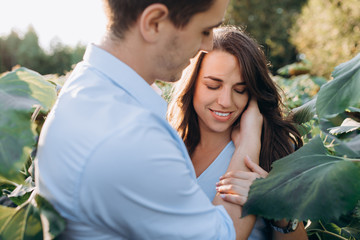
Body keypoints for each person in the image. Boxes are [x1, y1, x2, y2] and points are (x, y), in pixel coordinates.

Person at [34, 1, 267, 239]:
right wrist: (249, 142)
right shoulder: (132, 136)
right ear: (154, 22)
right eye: (204, 31)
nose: (207, 45)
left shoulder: (85, 89)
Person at [167, 25, 308, 239]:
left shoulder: (275, 148)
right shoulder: (168, 145)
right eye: (213, 86)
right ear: (192, 84)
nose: (225, 102)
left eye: (240, 90)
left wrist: (280, 212)